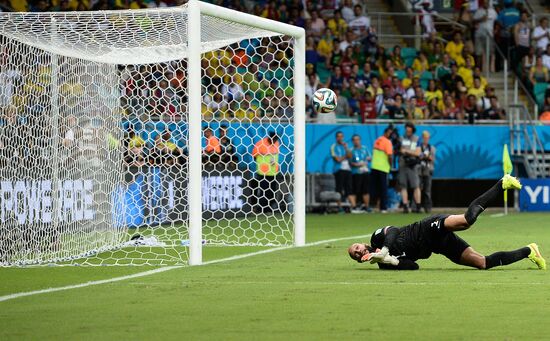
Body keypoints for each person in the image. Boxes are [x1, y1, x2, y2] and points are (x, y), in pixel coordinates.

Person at [347, 175, 547, 271]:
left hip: (427, 228)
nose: (358, 251)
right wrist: (387, 259)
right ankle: (530, 251)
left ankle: (502, 183)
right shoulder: (383, 265)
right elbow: (413, 266)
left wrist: (383, 249)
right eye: (356, 255)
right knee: (482, 263)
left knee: (467, 221)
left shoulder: (376, 237)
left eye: (356, 248)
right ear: (360, 259)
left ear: (363, 244)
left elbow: (394, 230)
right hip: (437, 245)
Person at [252, 131, 280, 213]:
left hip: (273, 172)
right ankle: (261, 209)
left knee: (272, 191)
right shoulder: (260, 144)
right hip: (263, 172)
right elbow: (254, 155)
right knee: (263, 191)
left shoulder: (277, 143)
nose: (274, 141)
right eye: (273, 139)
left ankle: (269, 208)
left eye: (276, 140)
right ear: (270, 138)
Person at [398, 122, 421, 213]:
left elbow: (418, 153)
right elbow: (399, 150)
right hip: (403, 163)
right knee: (403, 186)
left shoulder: (417, 139)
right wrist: (410, 152)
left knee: (416, 185)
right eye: (406, 130)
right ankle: (405, 206)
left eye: (409, 130)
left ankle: (418, 206)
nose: (407, 132)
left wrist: (407, 151)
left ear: (412, 130)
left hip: (413, 164)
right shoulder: (401, 138)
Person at [370, 126, 393, 213]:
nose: (391, 135)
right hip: (383, 168)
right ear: (387, 133)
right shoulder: (387, 142)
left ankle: (372, 206)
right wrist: (390, 166)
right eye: (390, 133)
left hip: (374, 166)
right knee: (383, 189)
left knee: (374, 188)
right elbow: (390, 156)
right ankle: (383, 208)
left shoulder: (377, 140)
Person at [349, 134, 371, 213]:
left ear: (360, 140)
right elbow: (350, 162)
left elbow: (369, 157)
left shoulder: (365, 148)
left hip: (365, 171)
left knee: (366, 190)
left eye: (358, 139)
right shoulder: (351, 150)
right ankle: (354, 207)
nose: (356, 141)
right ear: (352, 141)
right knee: (355, 190)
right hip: (356, 172)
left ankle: (366, 207)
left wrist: (366, 161)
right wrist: (356, 164)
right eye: (354, 140)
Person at [330, 131, 352, 211]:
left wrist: (346, 149)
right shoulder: (333, 146)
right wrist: (345, 156)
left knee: (348, 188)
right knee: (339, 188)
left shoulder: (345, 146)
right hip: (339, 170)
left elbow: (350, 156)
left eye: (341, 136)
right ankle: (339, 207)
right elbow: (337, 159)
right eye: (338, 136)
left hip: (347, 169)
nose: (340, 138)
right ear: (336, 138)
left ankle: (350, 206)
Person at [418, 131, 435, 213]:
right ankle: (417, 207)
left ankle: (427, 208)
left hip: (428, 171)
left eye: (427, 138)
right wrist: (425, 156)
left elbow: (432, 158)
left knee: (427, 191)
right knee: (418, 189)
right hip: (419, 171)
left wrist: (425, 156)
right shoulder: (419, 147)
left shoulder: (431, 148)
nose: (426, 139)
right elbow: (418, 156)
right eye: (424, 137)